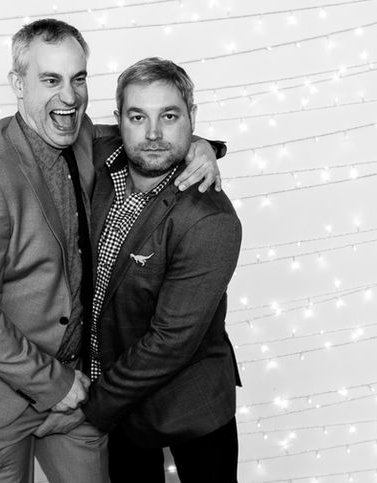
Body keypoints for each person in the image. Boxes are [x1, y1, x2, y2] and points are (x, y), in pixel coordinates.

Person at [0, 19, 222, 483]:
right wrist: (54, 383)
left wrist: (201, 147)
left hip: (74, 392)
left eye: (78, 78)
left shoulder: (78, 134)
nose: (69, 96)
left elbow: (145, 136)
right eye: (50, 80)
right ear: (18, 85)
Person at [34, 57, 242, 482]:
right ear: (119, 121)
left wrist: (91, 407)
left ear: (191, 116)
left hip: (188, 402)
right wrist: (203, 143)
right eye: (137, 117)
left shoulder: (210, 220)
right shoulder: (98, 158)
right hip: (120, 405)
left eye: (170, 116)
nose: (152, 134)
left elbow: (170, 342)